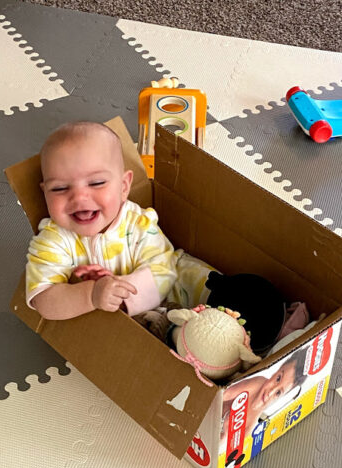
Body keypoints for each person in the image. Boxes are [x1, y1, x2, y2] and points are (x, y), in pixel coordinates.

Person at [26, 121, 212, 320]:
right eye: (60, 188)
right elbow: (44, 299)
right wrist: (91, 295)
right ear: (45, 192)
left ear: (124, 187)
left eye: (96, 183)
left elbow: (164, 269)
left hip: (177, 293)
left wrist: (121, 297)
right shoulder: (52, 240)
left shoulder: (139, 224)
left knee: (206, 282)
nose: (79, 198)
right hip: (152, 323)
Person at [220, 348, 308, 450]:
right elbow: (224, 395)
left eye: (278, 392)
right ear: (277, 369)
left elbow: (228, 446)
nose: (270, 392)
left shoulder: (250, 427)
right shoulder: (258, 383)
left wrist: (224, 435)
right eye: (278, 378)